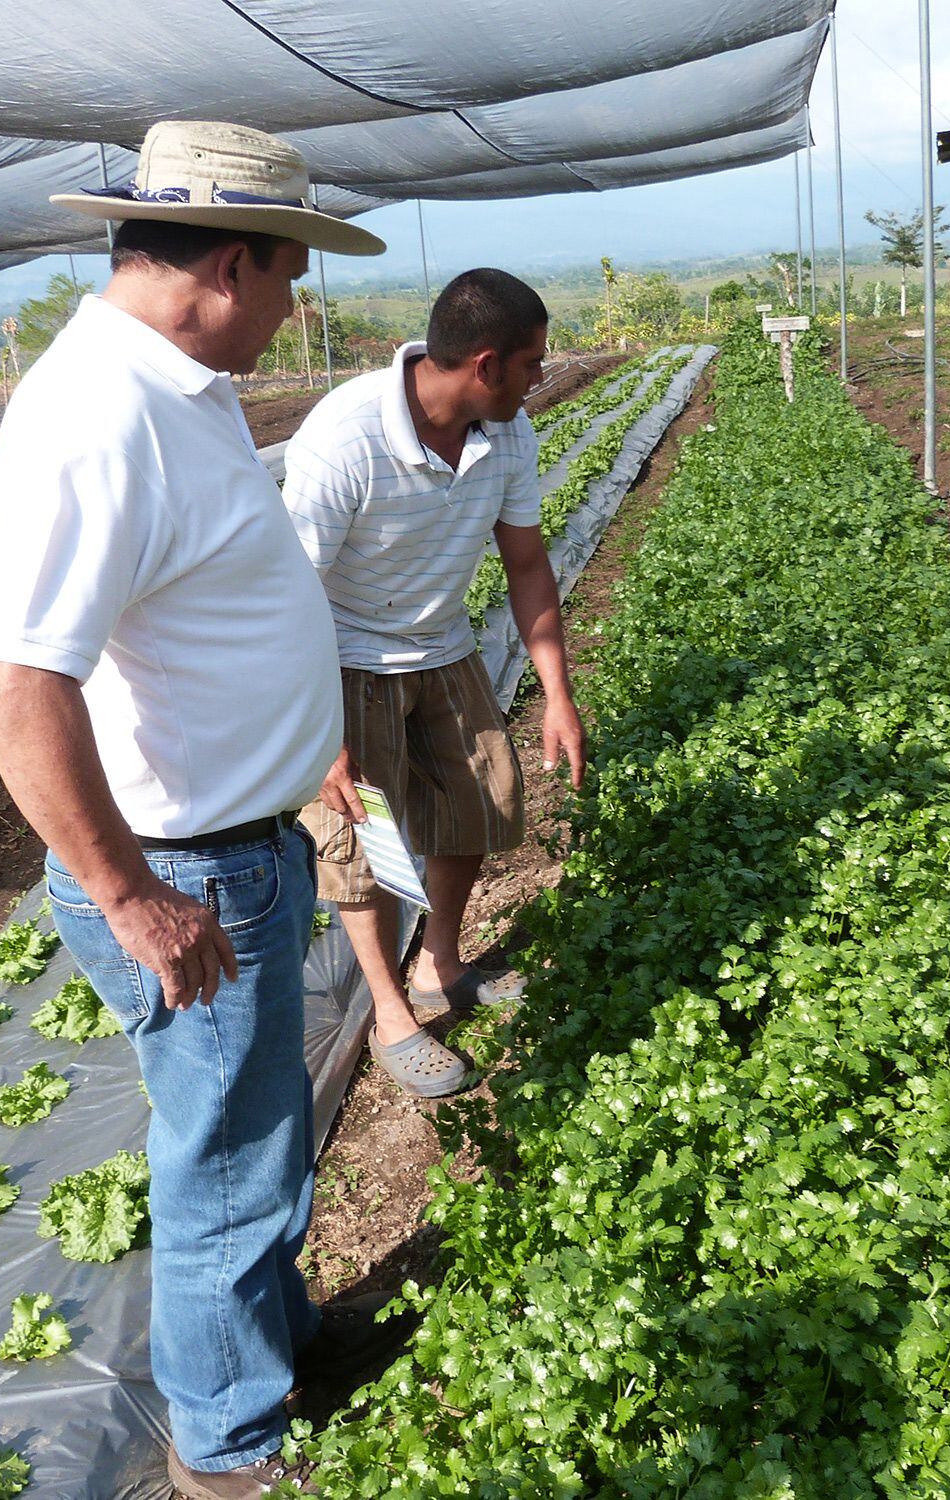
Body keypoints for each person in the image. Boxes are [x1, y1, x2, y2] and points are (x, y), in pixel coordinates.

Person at [0, 120, 385, 1500]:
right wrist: (135, 892)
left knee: (253, 1140)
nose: (293, 302)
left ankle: (276, 1342)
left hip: (233, 852)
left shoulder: (175, 383)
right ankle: (230, 1449)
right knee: (223, 1167)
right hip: (190, 872)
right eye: (290, 274)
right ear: (233, 263)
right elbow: (16, 671)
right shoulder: (100, 416)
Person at [281, 269, 585, 1099]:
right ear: (484, 364)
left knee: (477, 806)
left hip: (442, 647)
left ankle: (439, 965)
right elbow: (288, 596)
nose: (538, 380)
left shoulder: (505, 434)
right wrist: (318, 736)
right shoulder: (344, 440)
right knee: (361, 848)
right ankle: (390, 1014)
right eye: (530, 365)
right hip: (339, 659)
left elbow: (526, 564)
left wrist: (558, 694)